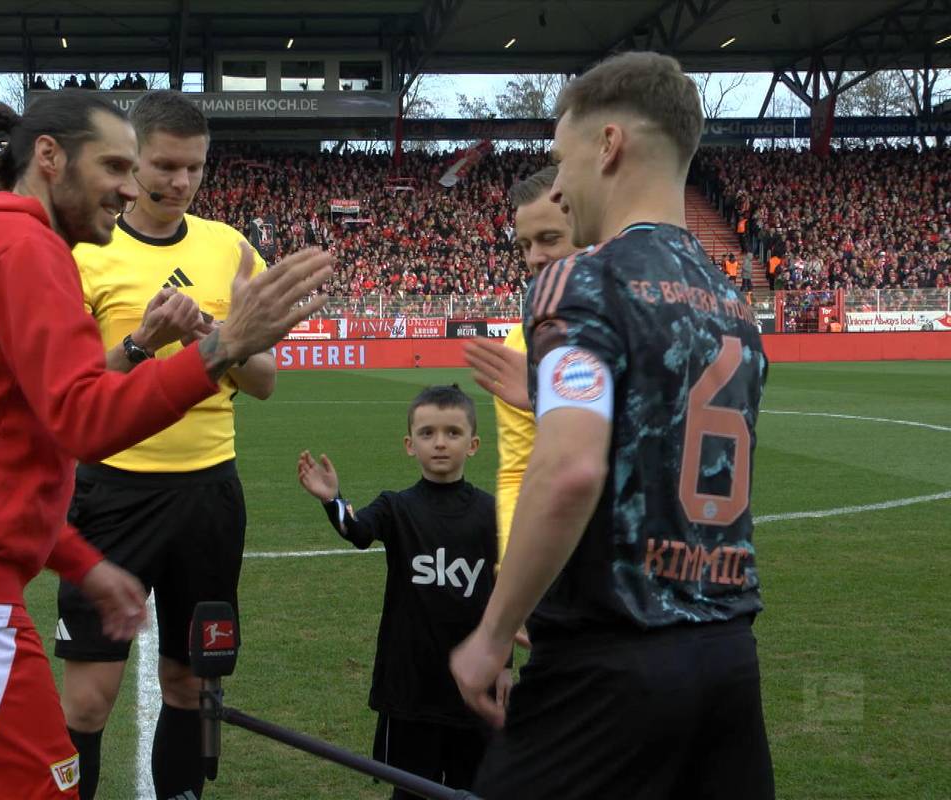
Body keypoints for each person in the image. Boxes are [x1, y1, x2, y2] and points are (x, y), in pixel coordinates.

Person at [0, 92, 331, 800]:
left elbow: (11, 442)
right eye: (117, 165)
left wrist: (81, 562)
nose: (133, 187)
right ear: (49, 157)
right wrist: (220, 345)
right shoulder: (24, 249)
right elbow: (81, 420)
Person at [451, 52, 774, 800]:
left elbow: (570, 471)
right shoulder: (733, 304)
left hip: (610, 670)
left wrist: (492, 635)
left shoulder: (582, 279)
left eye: (562, 161)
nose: (557, 188)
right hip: (727, 659)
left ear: (608, 146)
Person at [56, 89, 275, 800]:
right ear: (133, 159)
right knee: (87, 698)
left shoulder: (231, 249)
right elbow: (73, 387)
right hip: (110, 492)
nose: (179, 183)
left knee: (187, 687)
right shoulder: (87, 248)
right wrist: (142, 342)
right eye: (165, 166)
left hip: (207, 492)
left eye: (195, 170)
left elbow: (265, 379)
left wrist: (207, 338)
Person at [297, 385, 509, 799]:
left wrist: (504, 665)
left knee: (475, 789)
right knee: (411, 791)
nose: (440, 443)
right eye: (428, 434)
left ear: (474, 444)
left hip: (474, 685)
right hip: (410, 685)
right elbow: (357, 532)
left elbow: (501, 596)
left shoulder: (491, 512)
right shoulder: (397, 506)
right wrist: (333, 500)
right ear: (410, 445)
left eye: (453, 432)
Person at [464, 165, 581, 565]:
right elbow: (518, 472)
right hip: (557, 574)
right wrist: (512, 564)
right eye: (524, 246)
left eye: (549, 240)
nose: (534, 259)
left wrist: (545, 395)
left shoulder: (649, 315)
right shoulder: (519, 344)